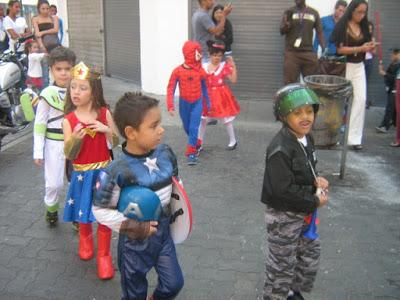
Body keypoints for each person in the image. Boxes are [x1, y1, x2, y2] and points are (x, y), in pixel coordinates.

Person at [92, 92, 184, 299]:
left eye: (160, 123)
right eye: (153, 126)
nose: (161, 130)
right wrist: (132, 226)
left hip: (163, 233)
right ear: (131, 133)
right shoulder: (116, 171)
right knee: (134, 294)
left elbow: (177, 188)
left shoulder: (166, 154)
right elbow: (99, 210)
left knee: (173, 284)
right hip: (134, 243)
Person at [261, 84, 329, 300]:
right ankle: (274, 296)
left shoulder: (306, 138)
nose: (305, 117)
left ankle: (292, 292)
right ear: (283, 116)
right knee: (281, 264)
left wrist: (316, 179)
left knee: (308, 254)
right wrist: (313, 201)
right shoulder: (279, 149)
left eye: (309, 111)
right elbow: (281, 191)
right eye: (297, 112)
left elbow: (307, 166)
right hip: (283, 217)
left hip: (303, 212)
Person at [62, 61, 119, 280]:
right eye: (73, 87)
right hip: (82, 174)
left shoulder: (104, 113)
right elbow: (69, 154)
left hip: (104, 174)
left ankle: (104, 255)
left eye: (82, 88)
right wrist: (75, 139)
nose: (76, 92)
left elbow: (115, 143)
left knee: (104, 214)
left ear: (94, 92)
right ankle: (85, 238)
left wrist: (106, 131)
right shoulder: (69, 120)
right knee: (84, 210)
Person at [33, 46, 76, 226]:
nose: (63, 73)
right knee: (54, 184)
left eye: (67, 69)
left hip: (76, 143)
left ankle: (77, 217)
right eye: (59, 69)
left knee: (77, 182)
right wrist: (38, 151)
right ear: (51, 70)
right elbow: (40, 123)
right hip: (53, 144)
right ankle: (51, 209)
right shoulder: (47, 94)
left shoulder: (79, 90)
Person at [331, 0, 375, 150]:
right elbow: (339, 50)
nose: (362, 15)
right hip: (344, 66)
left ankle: (354, 138)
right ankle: (333, 135)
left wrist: (370, 47)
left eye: (364, 12)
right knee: (338, 102)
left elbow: (368, 46)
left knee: (361, 99)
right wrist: (360, 47)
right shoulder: (342, 25)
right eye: (359, 12)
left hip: (359, 66)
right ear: (352, 11)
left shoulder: (364, 26)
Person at [166, 40, 210, 165]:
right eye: (197, 53)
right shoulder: (177, 71)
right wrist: (170, 105)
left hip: (197, 102)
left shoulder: (201, 71)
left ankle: (191, 153)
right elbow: (171, 88)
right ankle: (196, 142)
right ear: (189, 53)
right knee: (187, 127)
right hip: (184, 104)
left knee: (193, 126)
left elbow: (205, 88)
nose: (200, 56)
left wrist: (208, 104)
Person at [197, 40, 240, 151]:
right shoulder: (203, 66)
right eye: (215, 55)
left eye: (220, 55)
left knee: (226, 118)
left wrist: (233, 65)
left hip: (221, 96)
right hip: (207, 96)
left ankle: (233, 141)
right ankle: (199, 143)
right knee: (203, 120)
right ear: (210, 54)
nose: (217, 58)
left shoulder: (223, 66)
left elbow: (234, 80)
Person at [280, 0, 325, 84]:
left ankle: (310, 97)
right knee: (289, 84)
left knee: (313, 83)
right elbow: (282, 31)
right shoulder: (289, 12)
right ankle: (290, 97)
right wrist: (286, 26)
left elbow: (320, 32)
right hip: (292, 54)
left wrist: (324, 49)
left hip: (308, 53)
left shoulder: (314, 12)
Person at [375, 48, 400, 135]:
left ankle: (384, 126)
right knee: (394, 109)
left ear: (398, 55)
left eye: (393, 54)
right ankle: (395, 123)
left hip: (395, 89)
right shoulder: (393, 64)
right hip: (391, 89)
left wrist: (384, 73)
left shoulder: (398, 66)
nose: (391, 56)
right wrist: (383, 72)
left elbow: (395, 78)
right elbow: (389, 76)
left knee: (390, 109)